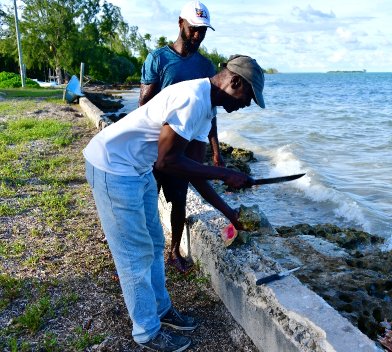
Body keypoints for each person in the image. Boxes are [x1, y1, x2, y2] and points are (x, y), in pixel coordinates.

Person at [83, 54, 265, 352]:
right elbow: (167, 162)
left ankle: (161, 308)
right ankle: (147, 331)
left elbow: (195, 172)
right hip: (112, 167)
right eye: (249, 96)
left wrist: (229, 212)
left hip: (137, 169)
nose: (248, 104)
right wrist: (225, 173)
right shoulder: (192, 99)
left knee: (154, 243)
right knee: (134, 255)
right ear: (234, 82)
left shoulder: (207, 109)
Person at [139, 0, 224, 273]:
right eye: (194, 29)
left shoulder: (205, 66)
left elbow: (209, 113)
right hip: (155, 145)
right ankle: (141, 253)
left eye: (203, 31)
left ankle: (174, 251)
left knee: (179, 199)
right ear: (180, 24)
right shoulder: (159, 59)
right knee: (146, 200)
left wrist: (216, 152)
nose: (198, 35)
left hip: (186, 148)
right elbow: (144, 105)